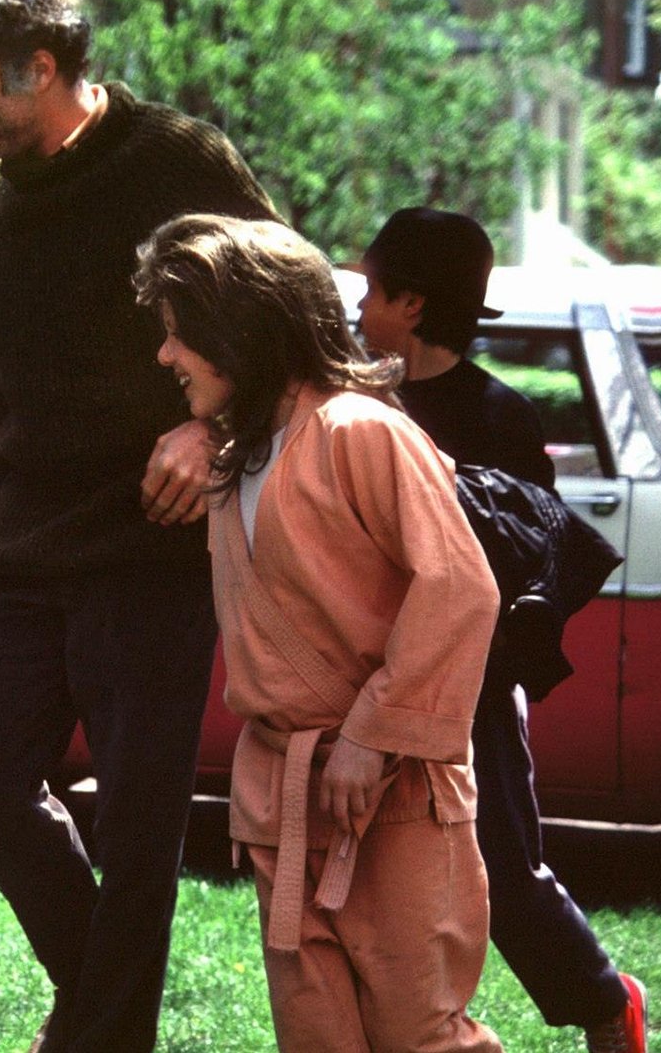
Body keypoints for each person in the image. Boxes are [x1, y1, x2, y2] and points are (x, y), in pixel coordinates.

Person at [0, 0, 276, 1050]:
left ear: (43, 69)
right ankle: (103, 1012)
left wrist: (216, 431)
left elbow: (292, 312)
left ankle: (101, 1033)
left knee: (139, 830)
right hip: (25, 547)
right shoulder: (8, 192)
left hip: (153, 549)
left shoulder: (179, 160)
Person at [137, 213, 504, 1052]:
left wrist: (370, 736)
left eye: (180, 333)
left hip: (391, 792)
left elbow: (458, 587)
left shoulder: (359, 431)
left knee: (420, 1038)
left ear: (240, 332)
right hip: (285, 791)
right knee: (317, 1037)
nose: (164, 355)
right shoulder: (239, 452)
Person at [356, 207, 647, 1053]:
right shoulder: (353, 404)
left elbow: (526, 550)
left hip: (473, 683)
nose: (359, 307)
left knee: (500, 869)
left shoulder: (499, 416)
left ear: (411, 305)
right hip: (370, 671)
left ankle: (603, 999)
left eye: (371, 290)